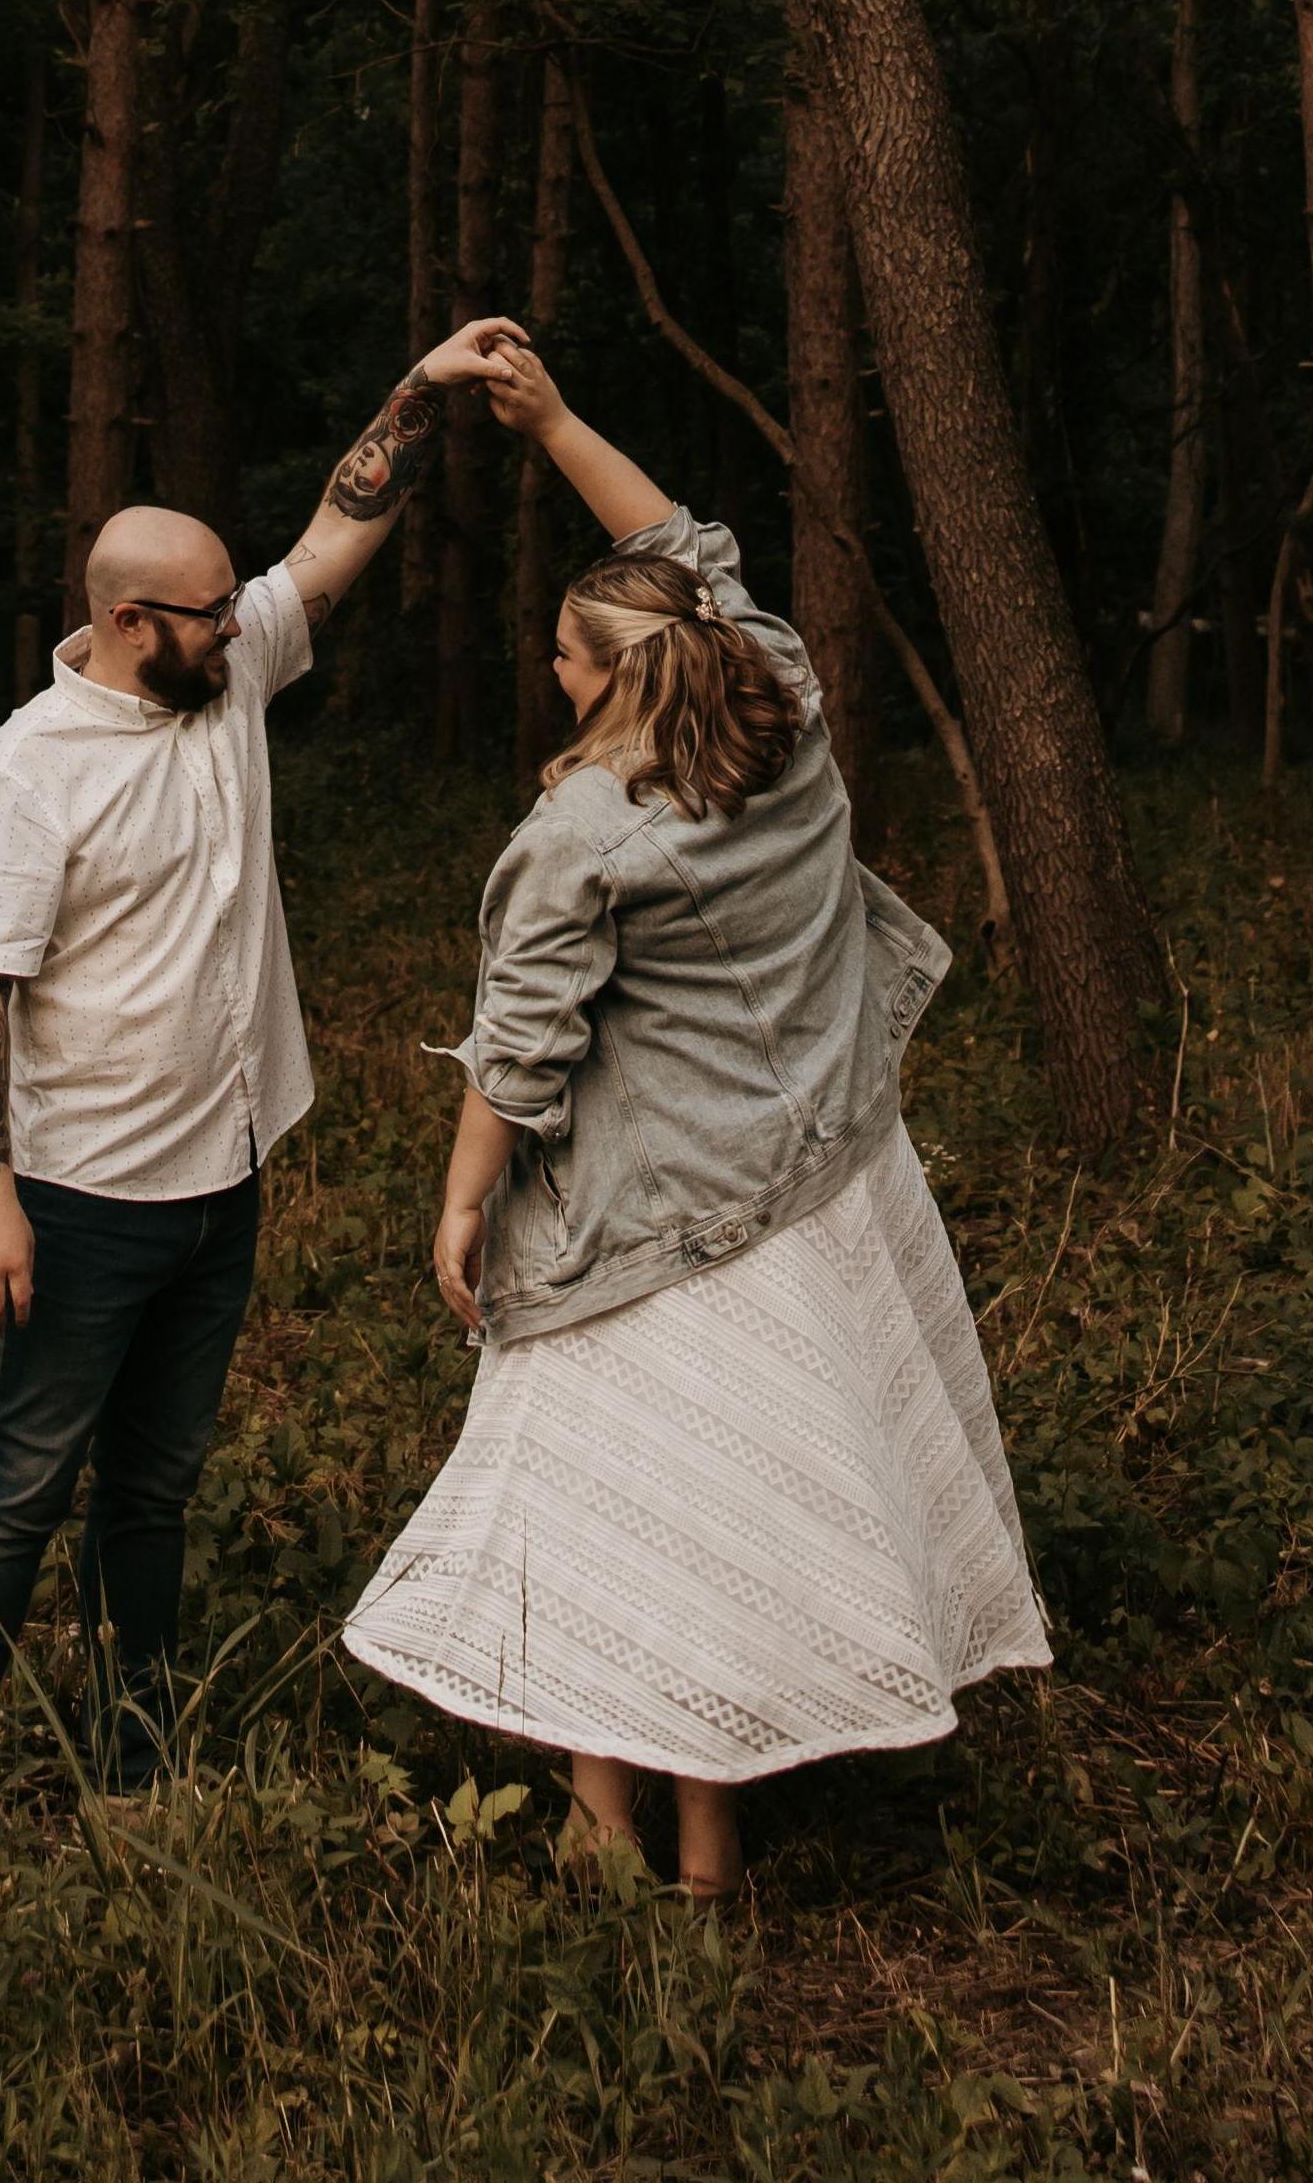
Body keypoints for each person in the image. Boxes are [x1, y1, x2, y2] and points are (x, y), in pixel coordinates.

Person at [342, 344, 1049, 1901]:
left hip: (662, 1220)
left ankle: (612, 1828)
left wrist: (461, 1204)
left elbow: (519, 1051)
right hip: (828, 1194)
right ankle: (708, 1834)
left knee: (622, 1511)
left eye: (564, 658)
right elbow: (691, 560)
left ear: (613, 673)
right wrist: (556, 422)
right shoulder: (781, 712)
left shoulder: (580, 833)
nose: (553, 674)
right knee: (733, 1508)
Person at [0, 316, 526, 1854]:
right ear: (122, 619)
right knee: (15, 1492)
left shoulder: (217, 679)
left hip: (218, 1184)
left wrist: (419, 383)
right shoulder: (29, 771)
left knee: (152, 1494)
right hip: (81, 1195)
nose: (238, 629)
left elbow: (334, 535)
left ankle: (132, 1770)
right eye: (200, 616)